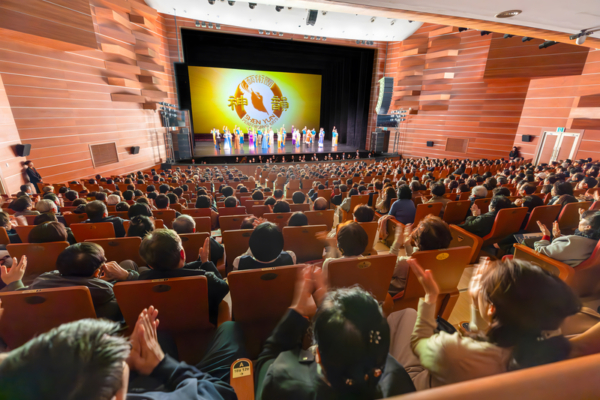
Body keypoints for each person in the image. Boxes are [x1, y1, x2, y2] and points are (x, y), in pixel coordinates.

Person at [386, 258, 580, 389]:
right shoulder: (557, 352)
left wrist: (430, 297)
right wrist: (477, 301)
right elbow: (490, 338)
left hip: (415, 387)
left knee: (406, 314)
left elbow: (419, 342)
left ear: (492, 309)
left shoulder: (455, 352)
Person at [0, 306, 245, 400]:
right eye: (122, 360)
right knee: (230, 330)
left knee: (163, 338)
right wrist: (162, 364)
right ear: (117, 395)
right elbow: (224, 393)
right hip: (191, 383)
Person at [255, 269, 416, 399]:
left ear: (317, 355)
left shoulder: (286, 380)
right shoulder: (396, 378)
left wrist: (298, 309)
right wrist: (330, 312)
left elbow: (267, 360)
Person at [1, 242, 137, 320]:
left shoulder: (39, 284)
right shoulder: (110, 296)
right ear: (97, 272)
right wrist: (128, 276)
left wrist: (14, 283)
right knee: (129, 264)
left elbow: (20, 301)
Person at [137, 229, 228, 325]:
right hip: (200, 330)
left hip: (160, 329)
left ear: (149, 265)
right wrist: (205, 262)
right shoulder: (206, 280)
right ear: (182, 254)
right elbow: (224, 289)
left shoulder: (142, 280)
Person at [388, 216, 453, 296]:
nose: (415, 229)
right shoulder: (441, 262)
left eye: (417, 229)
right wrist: (407, 244)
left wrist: (396, 243)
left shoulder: (403, 263)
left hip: (392, 296)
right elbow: (416, 260)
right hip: (416, 297)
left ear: (418, 241)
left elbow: (385, 269)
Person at [535, 210, 600, 267]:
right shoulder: (595, 241)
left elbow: (540, 251)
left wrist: (546, 236)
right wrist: (558, 237)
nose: (579, 221)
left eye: (582, 219)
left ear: (588, 227)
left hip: (553, 270)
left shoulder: (571, 242)